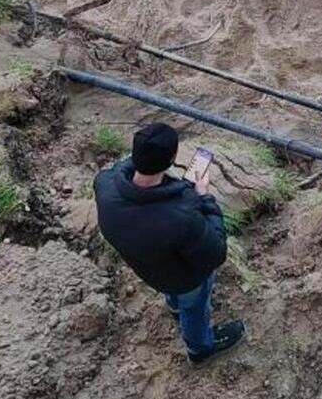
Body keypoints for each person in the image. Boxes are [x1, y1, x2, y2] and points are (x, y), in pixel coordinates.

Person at [93, 122, 246, 365]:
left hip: (148, 268)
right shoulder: (182, 216)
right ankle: (200, 349)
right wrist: (204, 197)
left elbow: (121, 170)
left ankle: (174, 306)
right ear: (173, 159)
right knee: (194, 308)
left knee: (173, 291)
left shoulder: (104, 184)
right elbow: (216, 253)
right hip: (185, 279)